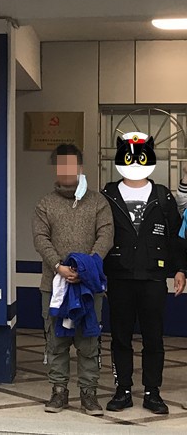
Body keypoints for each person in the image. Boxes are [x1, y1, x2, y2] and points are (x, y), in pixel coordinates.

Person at [102, 132, 186, 415]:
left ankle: (153, 393)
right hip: (119, 277)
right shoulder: (108, 195)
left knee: (153, 339)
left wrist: (181, 269)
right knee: (120, 338)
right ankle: (122, 391)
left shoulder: (162, 195)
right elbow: (98, 234)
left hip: (153, 277)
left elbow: (175, 236)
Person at [32, 144, 114, 415]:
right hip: (54, 284)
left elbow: (106, 236)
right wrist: (59, 266)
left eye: (71, 164)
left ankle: (89, 394)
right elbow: (40, 238)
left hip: (88, 285)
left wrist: (86, 267)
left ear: (80, 167)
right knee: (56, 342)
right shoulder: (45, 203)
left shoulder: (98, 202)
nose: (66, 170)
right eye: (61, 164)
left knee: (88, 342)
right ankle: (59, 392)